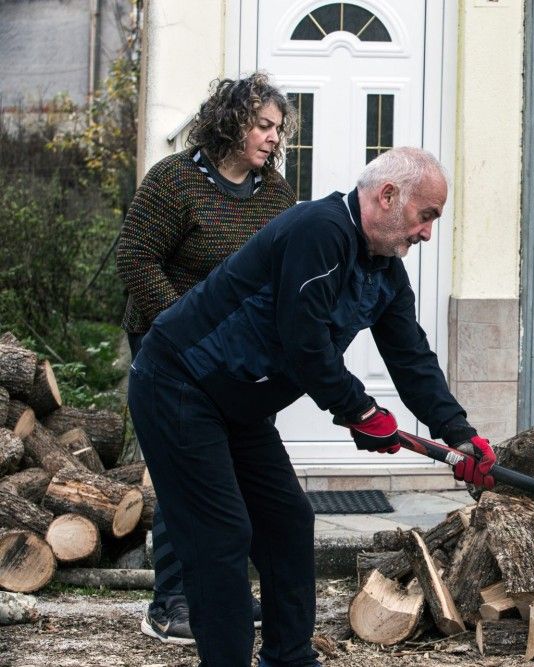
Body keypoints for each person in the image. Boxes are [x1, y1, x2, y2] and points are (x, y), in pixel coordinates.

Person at [127, 146, 497, 666]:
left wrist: (459, 434)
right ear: (387, 196)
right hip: (179, 385)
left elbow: (410, 355)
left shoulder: (384, 270)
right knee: (221, 535)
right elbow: (302, 340)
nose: (427, 233)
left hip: (239, 404)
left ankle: (288, 658)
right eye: (426, 216)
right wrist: (359, 411)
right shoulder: (318, 230)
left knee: (287, 521)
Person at [115, 72, 298, 645]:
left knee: (238, 474)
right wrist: (182, 329)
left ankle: (223, 593)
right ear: (230, 123)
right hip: (169, 353)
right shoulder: (174, 182)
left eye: (278, 129)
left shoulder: (276, 193)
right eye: (263, 125)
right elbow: (136, 258)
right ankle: (171, 602)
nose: (273, 138)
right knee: (188, 473)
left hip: (239, 361)